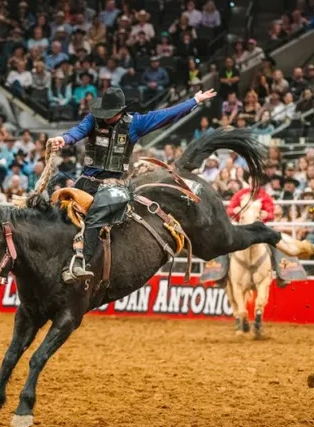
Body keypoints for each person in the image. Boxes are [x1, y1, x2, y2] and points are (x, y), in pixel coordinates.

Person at [48, 86, 216, 282]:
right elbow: (78, 131)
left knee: (98, 211)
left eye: (109, 114)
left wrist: (194, 101)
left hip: (114, 186)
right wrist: (64, 139)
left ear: (120, 112)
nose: (105, 117)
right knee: (58, 206)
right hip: (86, 181)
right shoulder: (92, 119)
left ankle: (81, 260)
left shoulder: (135, 123)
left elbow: (165, 115)